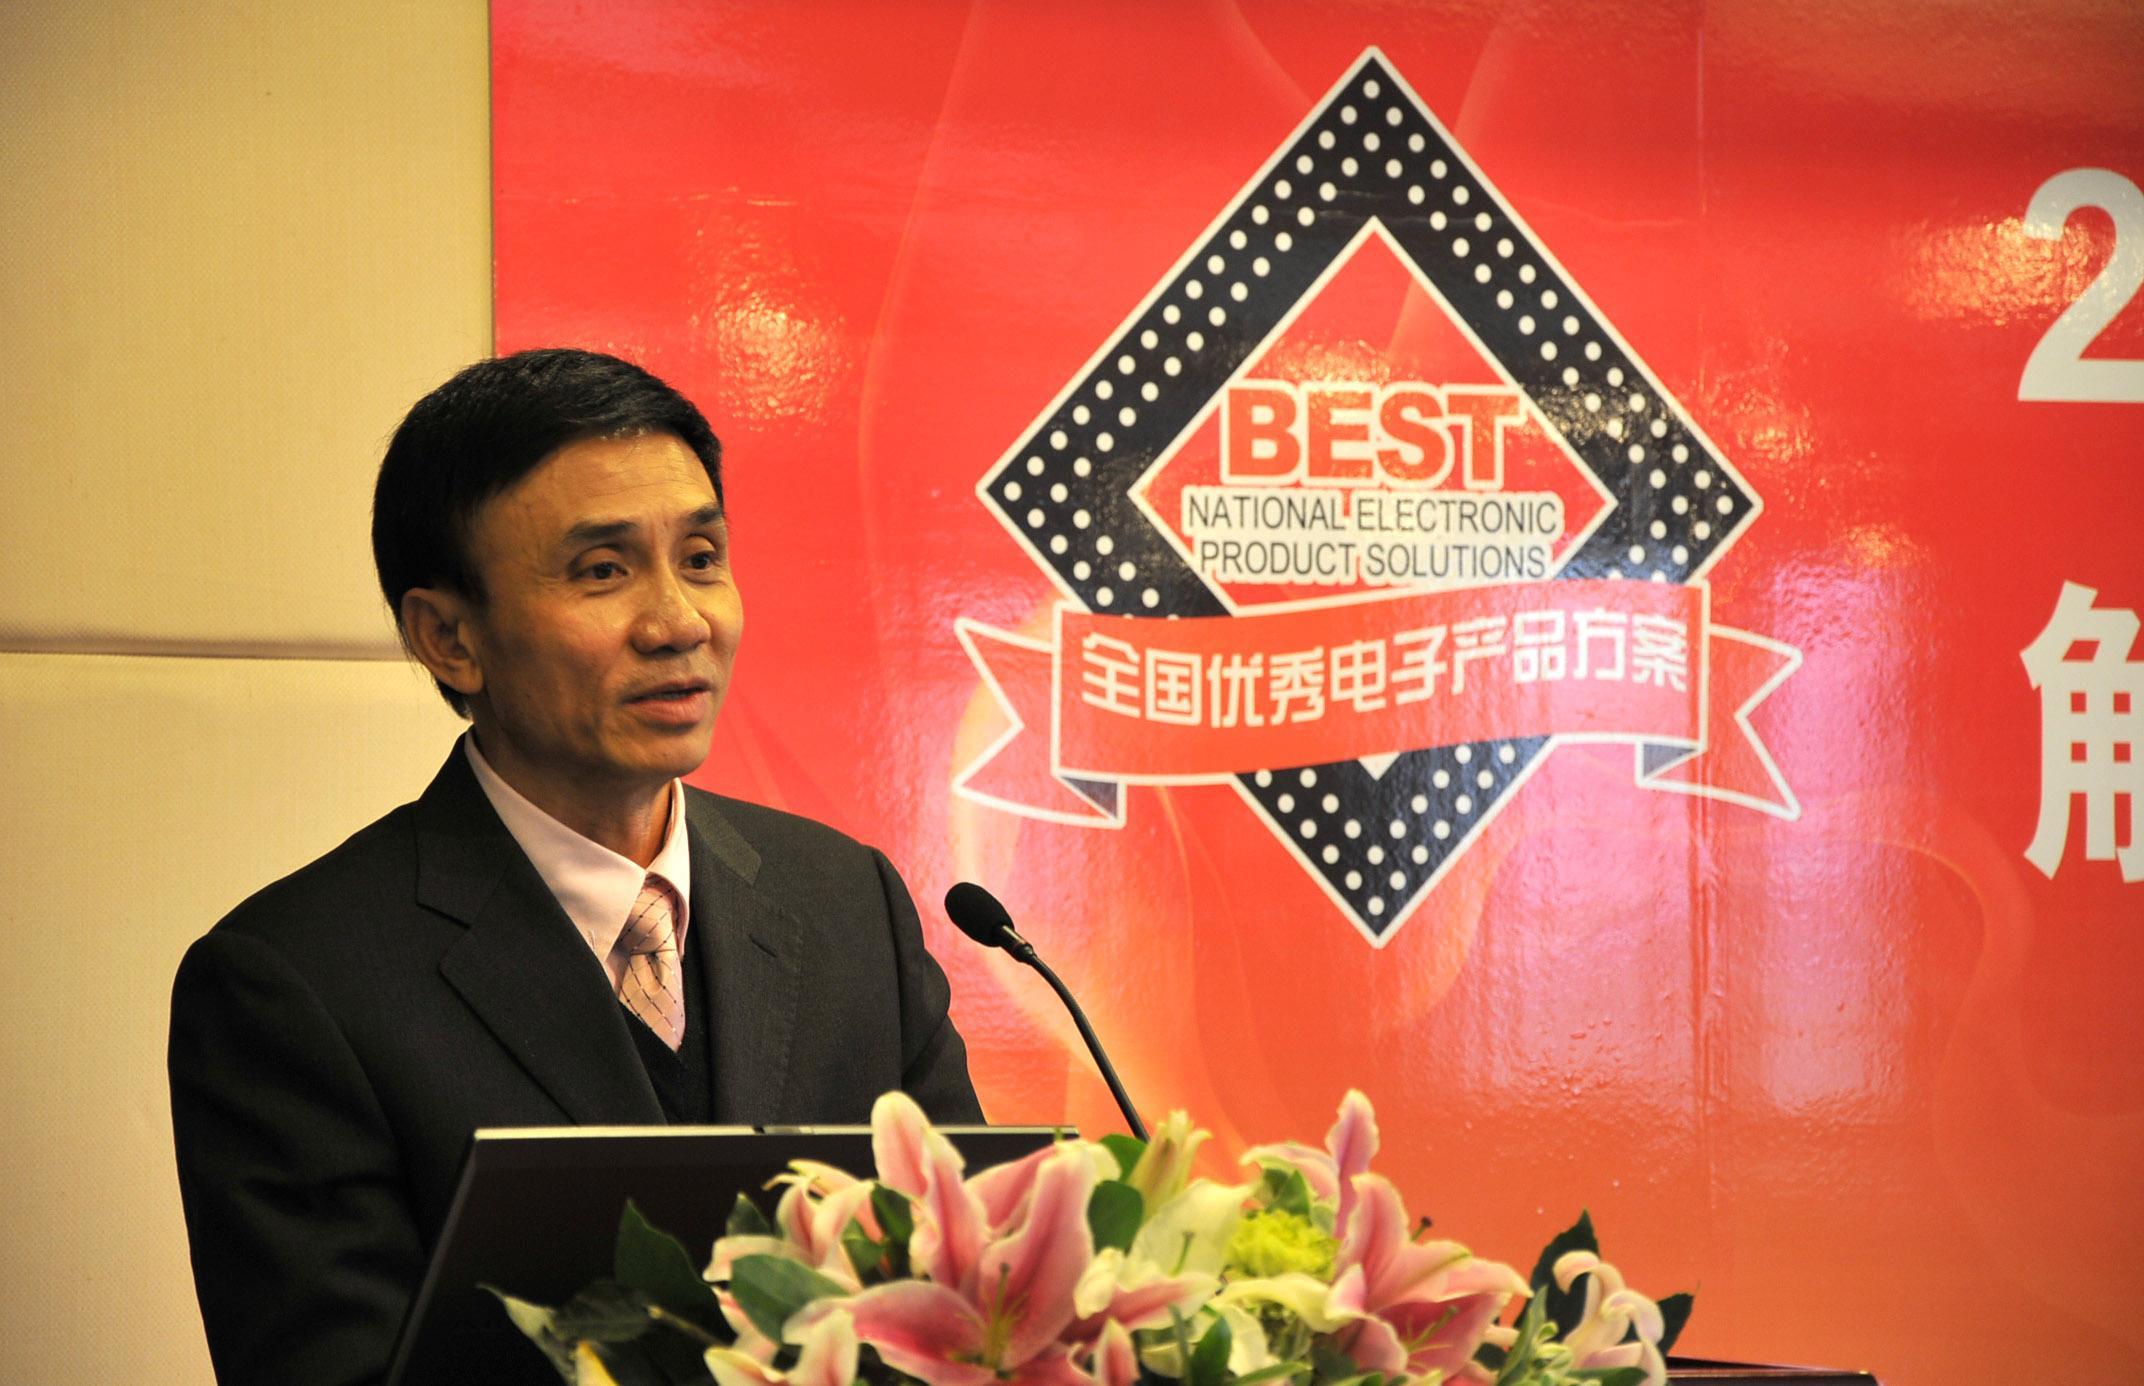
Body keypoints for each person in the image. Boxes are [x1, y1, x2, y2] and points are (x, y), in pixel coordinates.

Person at [168, 348, 982, 1385]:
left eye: (701, 558)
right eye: (603, 571)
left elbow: (969, 1288)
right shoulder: (294, 984)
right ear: (449, 638)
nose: (679, 623)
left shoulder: (845, 903)